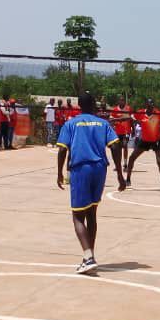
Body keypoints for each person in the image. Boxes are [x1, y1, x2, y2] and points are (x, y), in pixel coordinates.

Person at [55, 92, 126, 275]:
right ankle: (89, 256)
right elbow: (116, 146)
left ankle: (88, 258)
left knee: (78, 216)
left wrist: (59, 173)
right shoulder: (103, 123)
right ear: (94, 104)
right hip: (100, 169)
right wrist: (119, 174)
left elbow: (62, 149)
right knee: (92, 214)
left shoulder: (71, 123)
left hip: (81, 169)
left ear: (79, 105)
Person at [126, 98, 160, 191]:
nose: (151, 106)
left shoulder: (158, 113)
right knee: (132, 158)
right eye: (149, 104)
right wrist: (119, 119)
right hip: (145, 140)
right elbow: (131, 117)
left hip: (156, 140)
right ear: (146, 105)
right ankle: (128, 179)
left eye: (152, 104)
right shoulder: (141, 113)